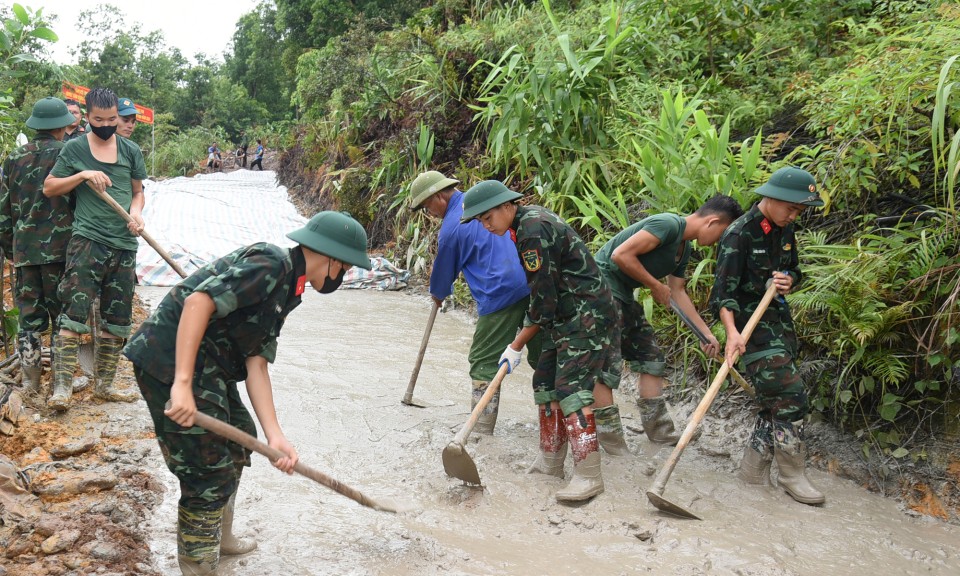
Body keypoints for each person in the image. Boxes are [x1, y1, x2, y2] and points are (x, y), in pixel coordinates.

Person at [123, 211, 372, 575]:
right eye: (346, 267)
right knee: (206, 469)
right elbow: (197, 303)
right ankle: (199, 567)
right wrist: (181, 384)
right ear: (332, 258)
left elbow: (257, 362)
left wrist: (276, 437)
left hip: (209, 366)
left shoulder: (290, 287)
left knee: (241, 440)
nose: (344, 275)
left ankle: (220, 537)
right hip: (167, 358)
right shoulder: (271, 264)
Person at [460, 180, 626, 502]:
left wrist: (516, 344)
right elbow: (544, 299)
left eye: (488, 217)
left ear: (508, 206)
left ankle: (589, 476)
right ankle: (550, 460)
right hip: (562, 315)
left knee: (571, 387)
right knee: (545, 381)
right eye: (480, 220)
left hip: (585, 313)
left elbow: (542, 301)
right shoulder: (522, 227)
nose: (486, 225)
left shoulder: (533, 231)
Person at [709, 166, 825, 506]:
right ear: (771, 199)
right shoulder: (739, 234)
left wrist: (790, 280)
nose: (794, 215)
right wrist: (731, 334)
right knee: (791, 396)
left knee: (773, 400)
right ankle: (792, 475)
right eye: (791, 208)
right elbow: (721, 294)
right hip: (750, 331)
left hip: (779, 325)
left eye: (800, 211)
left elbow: (794, 270)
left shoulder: (785, 231)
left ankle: (752, 472)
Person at [594, 195, 743, 445]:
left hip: (623, 295)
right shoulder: (668, 225)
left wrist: (705, 333)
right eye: (722, 233)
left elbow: (677, 291)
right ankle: (611, 440)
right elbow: (620, 255)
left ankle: (660, 432)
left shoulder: (685, 249)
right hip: (600, 290)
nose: (718, 242)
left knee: (651, 357)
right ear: (712, 221)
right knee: (605, 364)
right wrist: (654, 284)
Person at [409, 170, 538, 434]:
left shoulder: (452, 227)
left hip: (500, 292)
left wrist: (438, 293)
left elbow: (442, 277)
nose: (429, 212)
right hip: (534, 283)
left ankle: (479, 432)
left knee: (483, 360)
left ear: (439, 197)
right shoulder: (488, 203)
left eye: (426, 206)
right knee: (544, 354)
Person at [43, 87, 147, 411]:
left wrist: (137, 214)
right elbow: (50, 187)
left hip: (123, 244)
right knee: (73, 316)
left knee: (117, 320)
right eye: (99, 119)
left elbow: (138, 193)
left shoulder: (131, 151)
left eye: (112, 119)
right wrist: (83, 174)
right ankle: (61, 389)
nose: (106, 125)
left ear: (118, 116)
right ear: (87, 117)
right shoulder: (75, 149)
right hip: (88, 241)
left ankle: (104, 385)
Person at [0, 97, 77, 401]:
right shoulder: (69, 153)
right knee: (63, 318)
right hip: (63, 252)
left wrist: (11, 249)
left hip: (25, 253)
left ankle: (31, 385)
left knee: (29, 319)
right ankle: (61, 385)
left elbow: (4, 212)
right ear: (61, 126)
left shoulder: (13, 158)